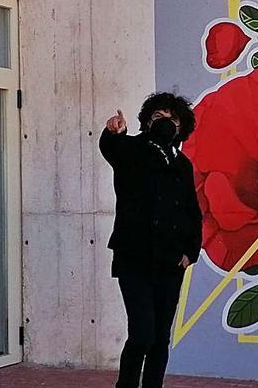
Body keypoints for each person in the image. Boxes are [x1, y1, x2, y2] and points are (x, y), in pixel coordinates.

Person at [99, 93, 203, 388]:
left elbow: (191, 212)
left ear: (182, 127)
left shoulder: (182, 164)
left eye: (173, 119)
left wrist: (189, 252)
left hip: (171, 262)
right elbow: (112, 148)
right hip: (134, 258)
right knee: (142, 334)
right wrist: (113, 131)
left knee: (160, 338)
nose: (166, 123)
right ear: (147, 121)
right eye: (159, 117)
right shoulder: (131, 150)